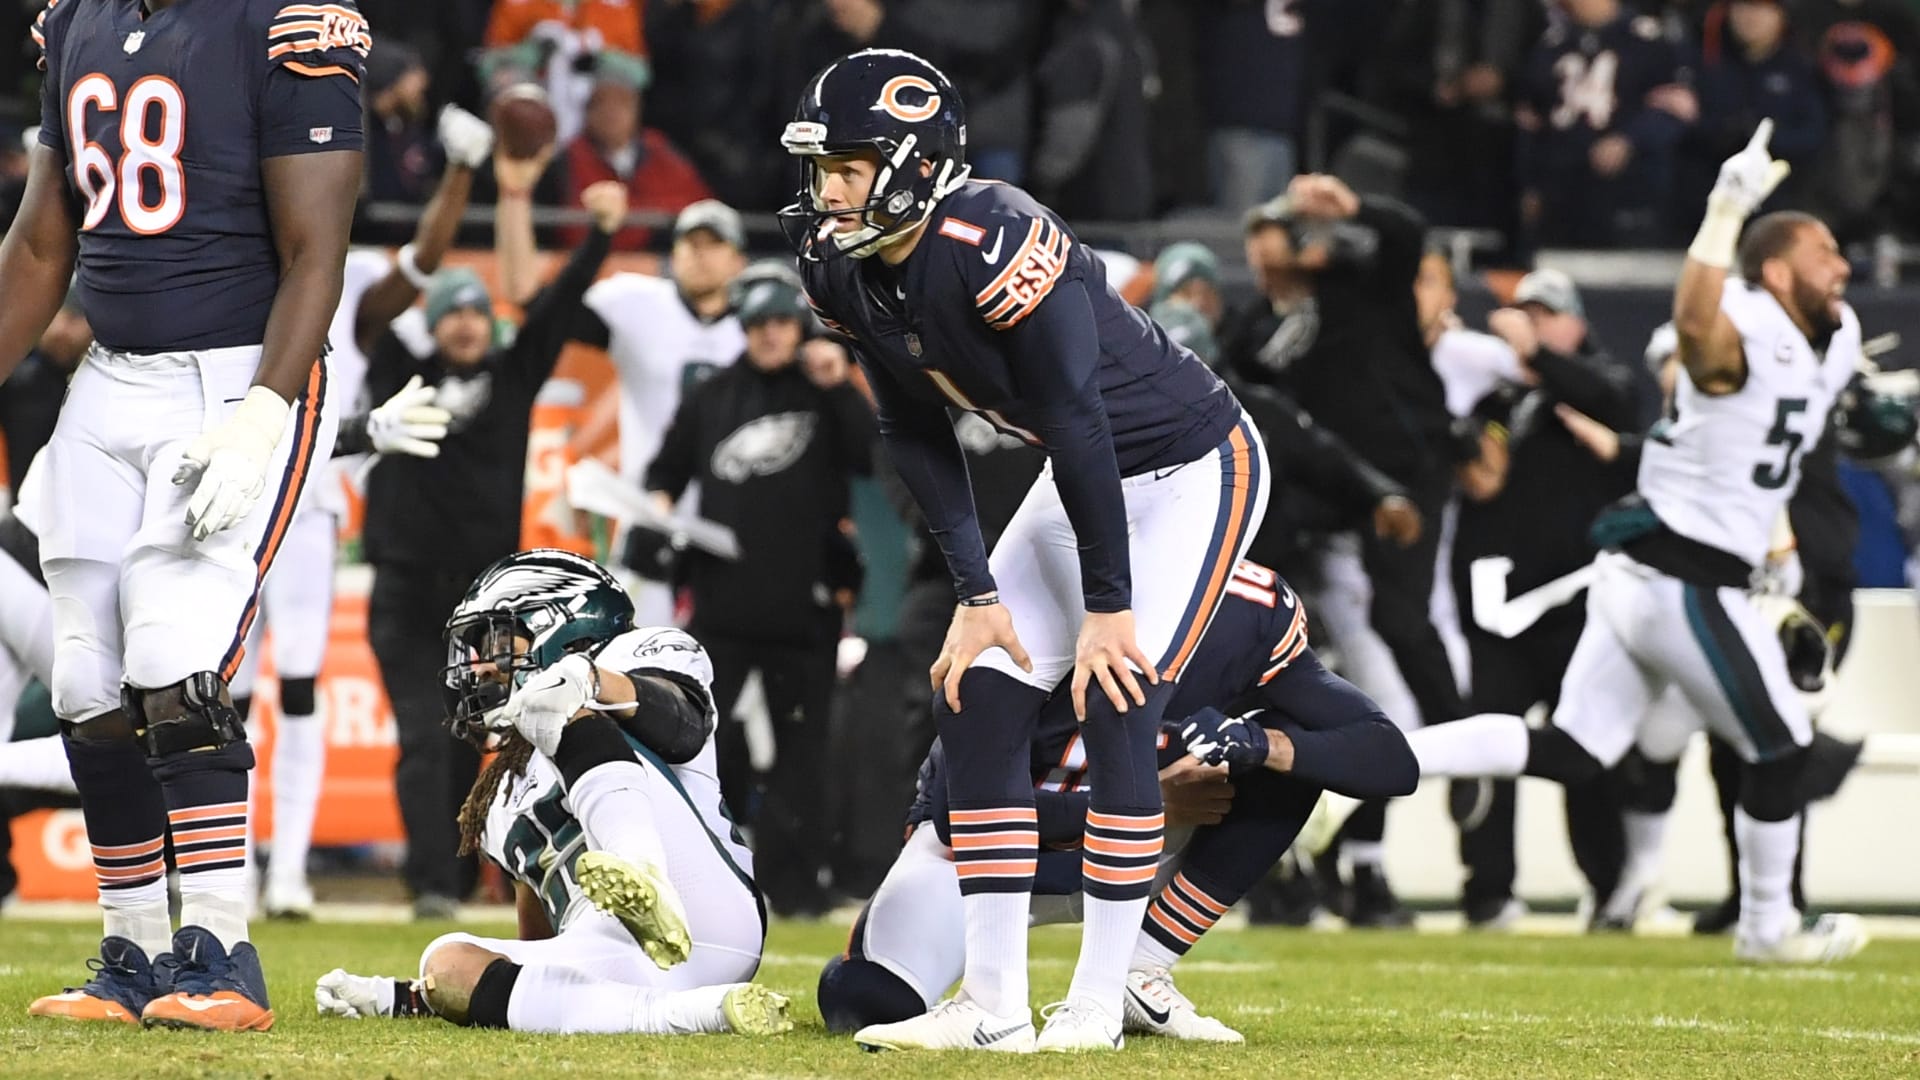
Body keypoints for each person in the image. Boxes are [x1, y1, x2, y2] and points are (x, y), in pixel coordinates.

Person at [782, 49, 1267, 1051]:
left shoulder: (991, 235)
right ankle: (994, 1004)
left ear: (916, 162)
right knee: (982, 690)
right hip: (1079, 470)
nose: (828, 188)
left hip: (1187, 467)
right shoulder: (836, 264)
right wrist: (972, 590)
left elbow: (1081, 420)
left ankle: (1096, 997)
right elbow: (911, 431)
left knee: (1120, 691)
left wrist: (1107, 608)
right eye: (822, 164)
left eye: (849, 164)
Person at [1319, 123, 1872, 963]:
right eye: (1825, 251)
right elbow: (1696, 317)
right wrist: (1726, 206)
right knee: (1784, 745)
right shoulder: (1744, 325)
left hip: (1661, 572)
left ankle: (1365, 762)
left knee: (1574, 752)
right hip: (1683, 573)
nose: (1843, 265)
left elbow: (1782, 456)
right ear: (1778, 268)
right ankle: (1769, 929)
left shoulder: (1832, 336)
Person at [1, 0, 367, 1031]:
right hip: (112, 375)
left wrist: (266, 407)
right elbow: (41, 244)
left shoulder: (282, 23)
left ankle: (220, 950)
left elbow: (316, 251)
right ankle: (132, 953)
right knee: (83, 677)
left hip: (238, 371)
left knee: (169, 650)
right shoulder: (75, 22)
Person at [817, 560, 1416, 1043]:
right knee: (865, 1003)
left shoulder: (1251, 613)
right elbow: (954, 812)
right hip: (985, 860)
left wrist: (1262, 743)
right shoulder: (1042, 577)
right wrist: (1146, 805)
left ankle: (1141, 965)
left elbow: (1388, 757)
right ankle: (994, 997)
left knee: (1291, 754)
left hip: (1134, 863)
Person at [313, 549, 791, 1038]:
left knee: (557, 710)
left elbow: (682, 726)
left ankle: (641, 868)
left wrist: (587, 683)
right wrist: (410, 995)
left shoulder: (632, 655)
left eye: (498, 639)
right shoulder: (499, 789)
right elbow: (539, 930)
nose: (481, 669)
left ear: (560, 625)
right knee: (446, 956)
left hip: (705, 911)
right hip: (614, 952)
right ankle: (695, 1014)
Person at [233, 107, 492, 921]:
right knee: (224, 694)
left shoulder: (345, 283)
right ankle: (228, 866)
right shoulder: (230, 273)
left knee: (301, 685)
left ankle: (288, 872)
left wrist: (459, 172)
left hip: (306, 505)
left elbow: (423, 262)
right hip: (230, 502)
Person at [361, 140, 625, 920]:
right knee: (422, 734)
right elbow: (375, 321)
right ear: (436, 327)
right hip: (407, 592)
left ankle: (474, 874)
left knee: (480, 743)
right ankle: (434, 886)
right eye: (455, 314)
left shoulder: (512, 379)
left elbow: (548, 309)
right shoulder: (399, 381)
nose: (469, 324)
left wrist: (601, 237)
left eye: (479, 311)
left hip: (483, 607)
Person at [642, 267, 874, 917]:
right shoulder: (714, 395)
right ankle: (700, 874)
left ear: (799, 329)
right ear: (744, 329)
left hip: (806, 604)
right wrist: (655, 521)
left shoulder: (823, 391)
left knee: (804, 752)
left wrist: (843, 384)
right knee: (703, 740)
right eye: (760, 325)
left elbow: (870, 458)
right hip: (723, 602)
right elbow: (664, 472)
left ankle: (796, 888)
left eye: (781, 324)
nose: (771, 335)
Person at [560, 199, 748, 626]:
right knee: (639, 657)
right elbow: (553, 313)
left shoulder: (761, 327)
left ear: (738, 259)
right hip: (652, 519)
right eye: (689, 242)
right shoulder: (640, 303)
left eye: (713, 243)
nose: (699, 253)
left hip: (733, 524)